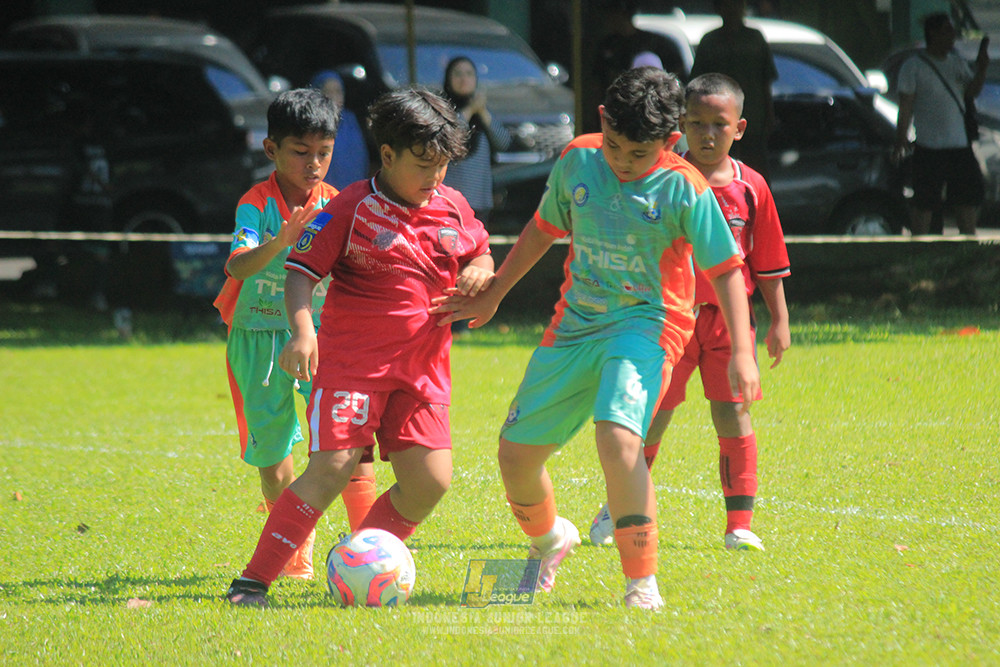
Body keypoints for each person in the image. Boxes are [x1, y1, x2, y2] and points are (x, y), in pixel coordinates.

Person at [431, 67, 760, 610]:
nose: (624, 163)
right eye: (615, 146)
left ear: (670, 141)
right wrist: (494, 293)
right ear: (602, 122)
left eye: (640, 154)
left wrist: (743, 353)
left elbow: (725, 270)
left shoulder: (684, 186)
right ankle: (551, 540)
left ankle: (641, 582)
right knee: (514, 456)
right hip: (575, 325)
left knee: (617, 436)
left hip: (648, 325)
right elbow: (543, 229)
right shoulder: (578, 161)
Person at [225, 87, 495, 607]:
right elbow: (300, 275)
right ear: (388, 156)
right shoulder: (349, 206)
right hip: (353, 368)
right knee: (333, 466)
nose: (435, 177)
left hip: (423, 372)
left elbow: (478, 251)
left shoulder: (453, 207)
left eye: (442, 165)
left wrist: (480, 275)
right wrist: (303, 331)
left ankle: (357, 559)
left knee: (430, 481)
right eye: (423, 164)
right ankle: (253, 581)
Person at [589, 73, 790, 552]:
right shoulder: (660, 178)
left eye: (718, 124)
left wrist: (779, 320)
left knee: (733, 416)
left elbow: (767, 261)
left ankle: (739, 524)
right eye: (696, 122)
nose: (707, 133)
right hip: (667, 319)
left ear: (738, 128)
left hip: (726, 325)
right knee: (649, 417)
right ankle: (617, 509)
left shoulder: (752, 187)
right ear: (679, 125)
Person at [213, 88, 376, 583]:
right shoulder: (255, 205)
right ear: (271, 151)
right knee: (274, 454)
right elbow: (237, 264)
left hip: (322, 337)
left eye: (323, 153)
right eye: (300, 152)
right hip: (258, 340)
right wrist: (280, 241)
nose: (314, 164)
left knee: (346, 439)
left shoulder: (336, 204)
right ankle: (296, 552)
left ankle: (368, 548)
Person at [892, 13, 988, 236]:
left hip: (959, 146)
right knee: (924, 202)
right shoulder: (913, 66)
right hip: (928, 147)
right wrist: (901, 139)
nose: (952, 36)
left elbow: (971, 93)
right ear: (932, 34)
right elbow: (905, 106)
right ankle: (920, 248)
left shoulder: (956, 63)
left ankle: (967, 245)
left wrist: (981, 69)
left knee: (967, 198)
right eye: (947, 31)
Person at [690, 0, 778, 179]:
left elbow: (766, 80)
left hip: (753, 117)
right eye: (728, 5)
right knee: (719, 164)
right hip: (717, 119)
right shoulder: (709, 41)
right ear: (719, 8)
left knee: (755, 168)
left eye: (738, 4)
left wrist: (770, 114)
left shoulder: (755, 38)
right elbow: (697, 84)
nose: (734, 9)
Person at [583, 0, 686, 134]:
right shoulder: (608, 44)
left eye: (615, 13)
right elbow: (596, 83)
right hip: (615, 111)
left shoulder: (653, 43)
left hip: (649, 111)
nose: (610, 18)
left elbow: (677, 77)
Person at [440, 56, 512, 224]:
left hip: (479, 201)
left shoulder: (483, 112)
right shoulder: (443, 109)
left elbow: (504, 143)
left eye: (469, 74)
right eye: (458, 74)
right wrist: (469, 111)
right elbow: (447, 136)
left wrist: (482, 113)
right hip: (448, 201)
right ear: (448, 79)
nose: (464, 79)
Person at [310, 70, 371, 190]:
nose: (334, 97)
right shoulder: (311, 125)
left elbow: (361, 160)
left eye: (338, 92)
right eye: (328, 92)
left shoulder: (350, 120)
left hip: (352, 196)